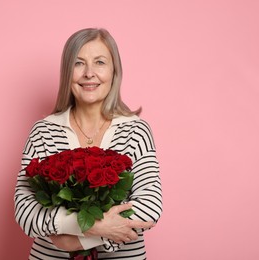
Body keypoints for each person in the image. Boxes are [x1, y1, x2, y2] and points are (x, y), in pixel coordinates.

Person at [14, 28, 163, 259]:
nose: (89, 73)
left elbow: (150, 206)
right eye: (79, 63)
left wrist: (79, 238)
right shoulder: (43, 131)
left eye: (100, 62)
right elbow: (25, 211)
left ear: (114, 71)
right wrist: (79, 223)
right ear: (67, 72)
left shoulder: (135, 130)